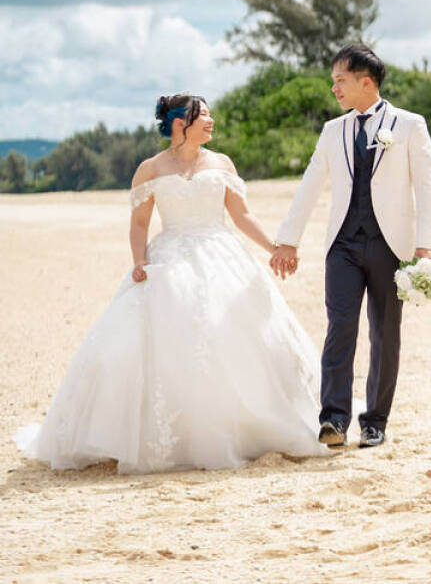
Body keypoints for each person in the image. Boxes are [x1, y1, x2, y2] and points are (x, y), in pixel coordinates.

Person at [14, 93, 326, 474]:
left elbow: (242, 216)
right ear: (180, 123)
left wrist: (274, 247)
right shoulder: (151, 169)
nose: (211, 121)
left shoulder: (222, 163)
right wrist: (139, 261)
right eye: (203, 116)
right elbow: (139, 223)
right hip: (170, 258)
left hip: (222, 255)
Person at [270, 44, 431, 449]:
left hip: (390, 245)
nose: (334, 89)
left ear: (366, 82)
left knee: (385, 332)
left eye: (340, 80)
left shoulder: (409, 125)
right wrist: (288, 240)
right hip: (343, 246)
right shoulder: (333, 130)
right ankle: (334, 418)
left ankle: (375, 421)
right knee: (340, 328)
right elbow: (310, 184)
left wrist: (426, 246)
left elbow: (427, 186)